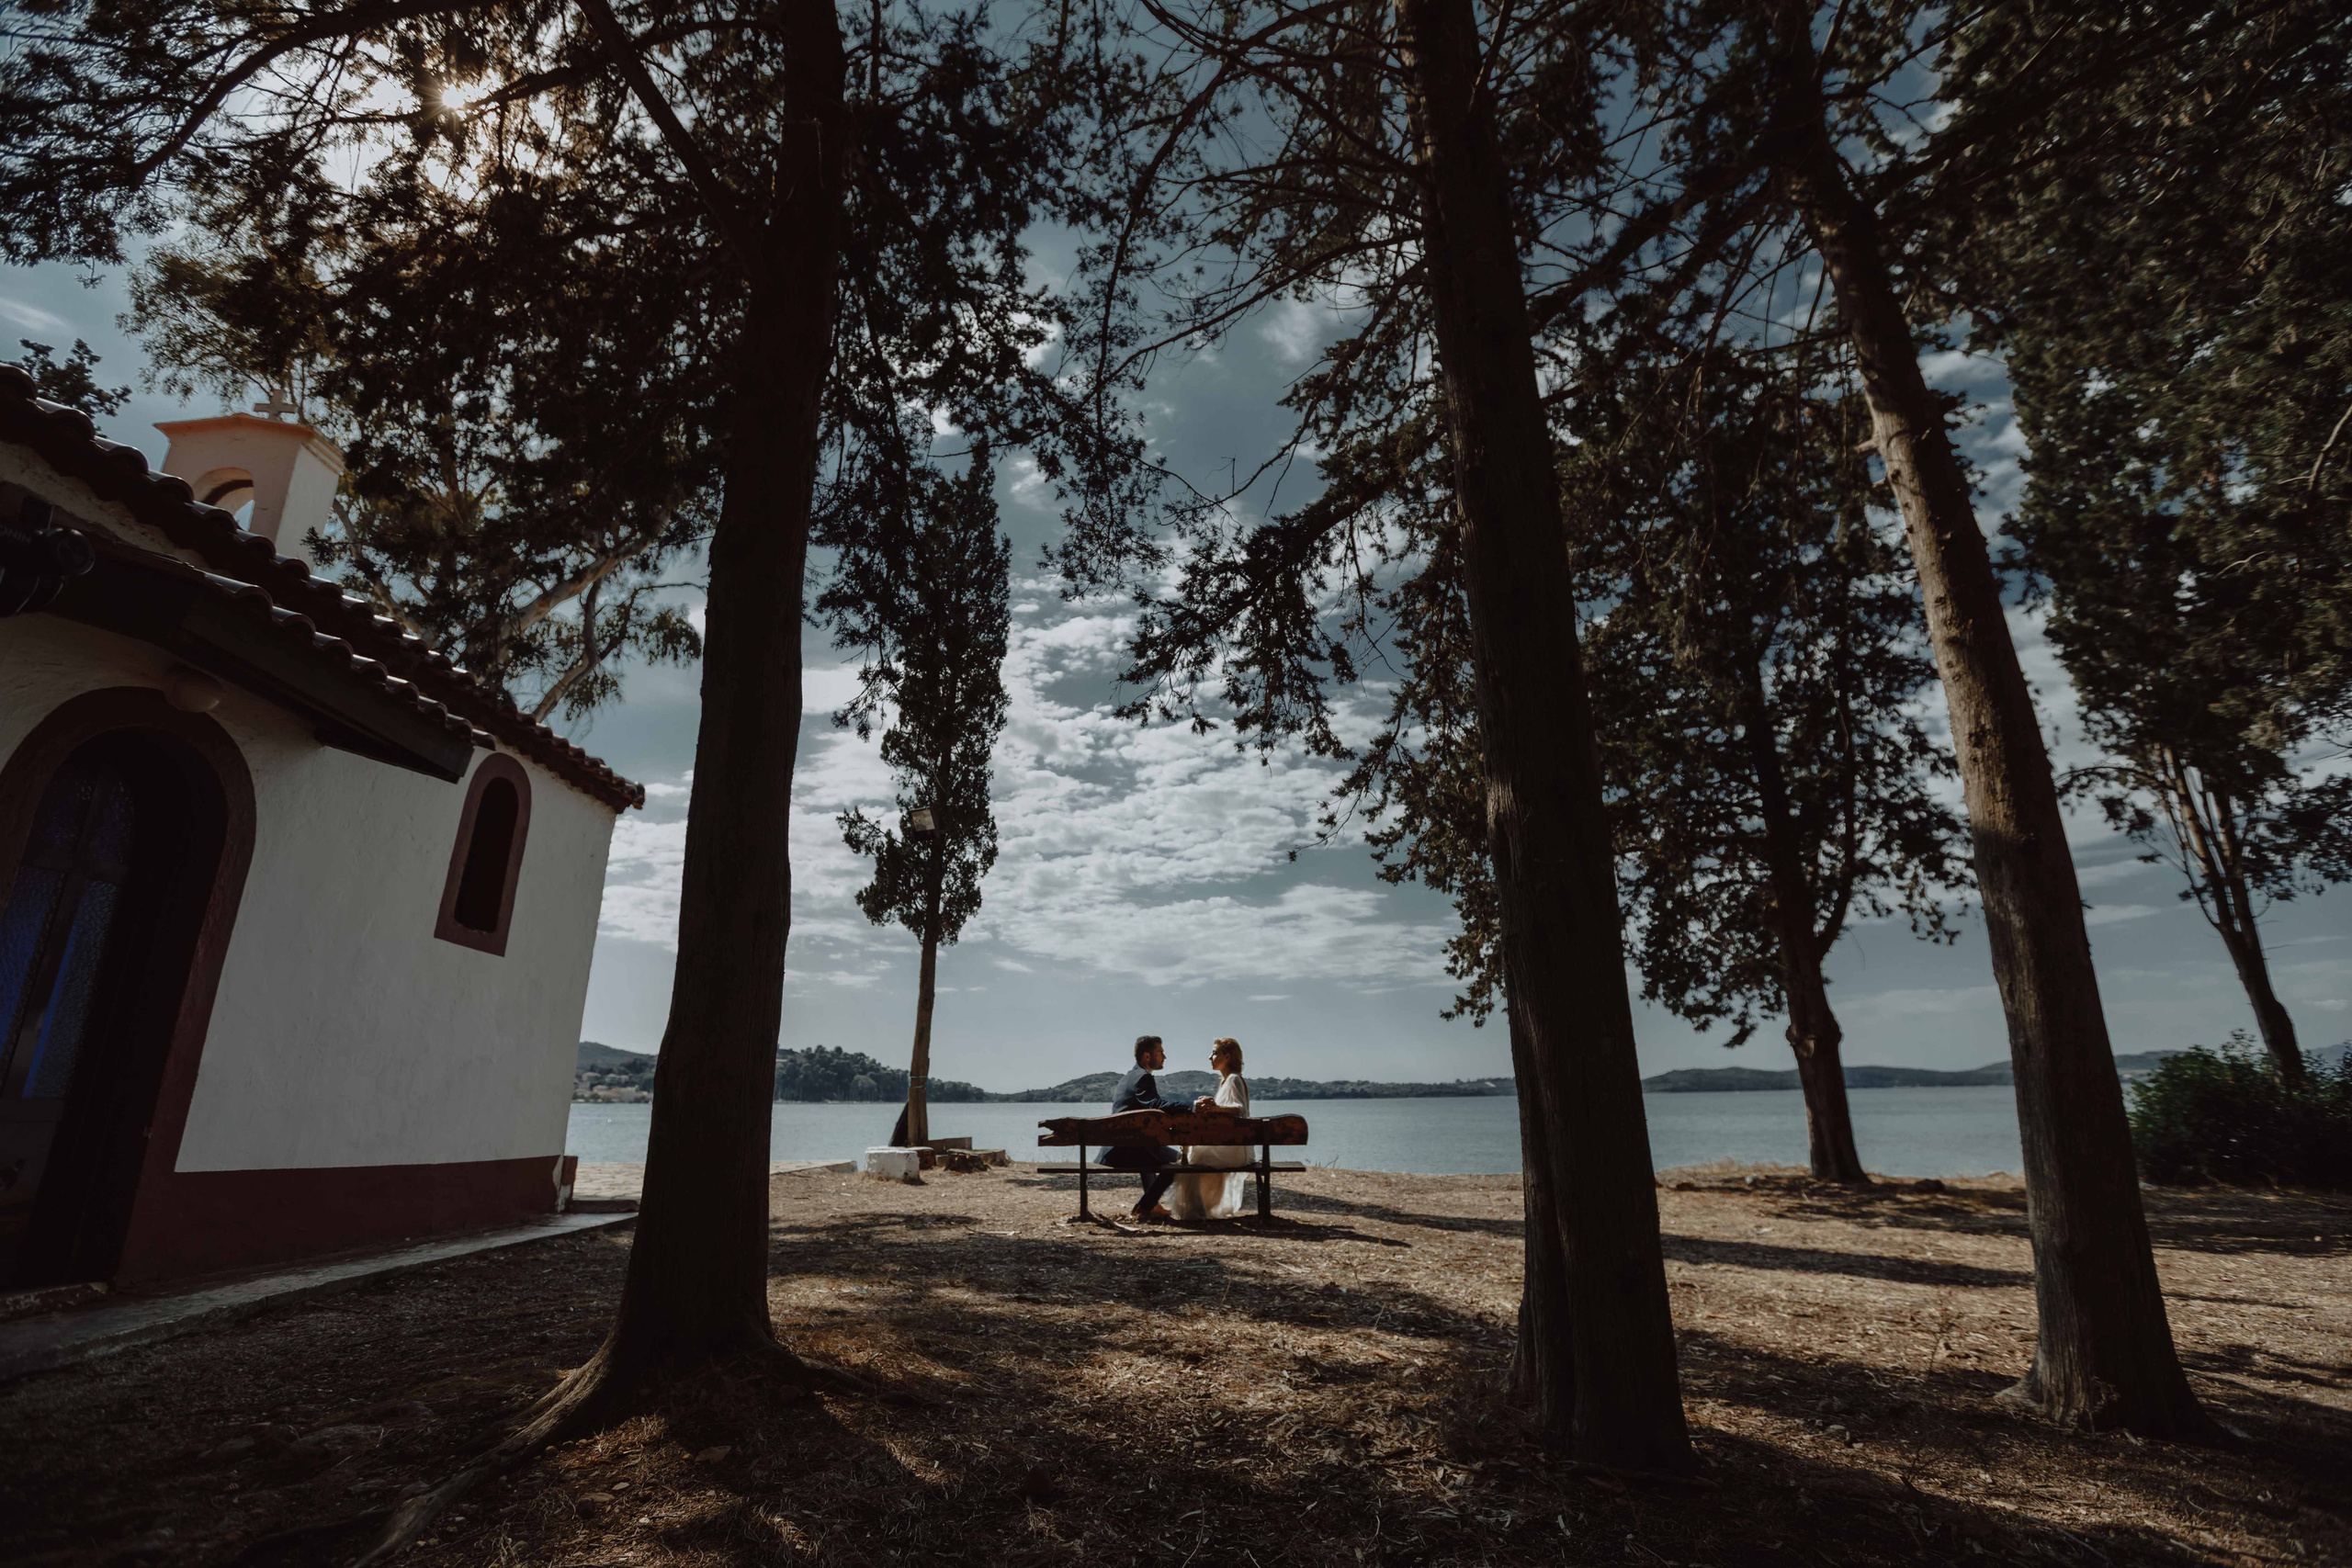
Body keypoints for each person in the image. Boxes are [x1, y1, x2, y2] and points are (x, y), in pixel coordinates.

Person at [1099, 1035, 1212, 1221]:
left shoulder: (1127, 1078)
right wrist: (1191, 1106)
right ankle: (1144, 1207)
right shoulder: (1143, 1078)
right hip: (1126, 1151)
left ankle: (1152, 1206)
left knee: (1151, 1153)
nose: (1164, 1057)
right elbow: (1154, 1105)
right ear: (1147, 1056)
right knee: (1178, 1162)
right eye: (1160, 1052)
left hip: (1116, 1148)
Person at [1170, 1038, 1253, 1221]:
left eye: (1215, 1053)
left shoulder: (1234, 1079)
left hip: (1234, 1151)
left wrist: (1216, 1108)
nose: (1210, 1057)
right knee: (1194, 1154)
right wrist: (1213, 1108)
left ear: (1227, 1056)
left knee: (1193, 1159)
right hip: (1230, 1146)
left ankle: (1196, 1211)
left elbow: (1240, 1110)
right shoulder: (1226, 1081)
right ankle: (1200, 1208)